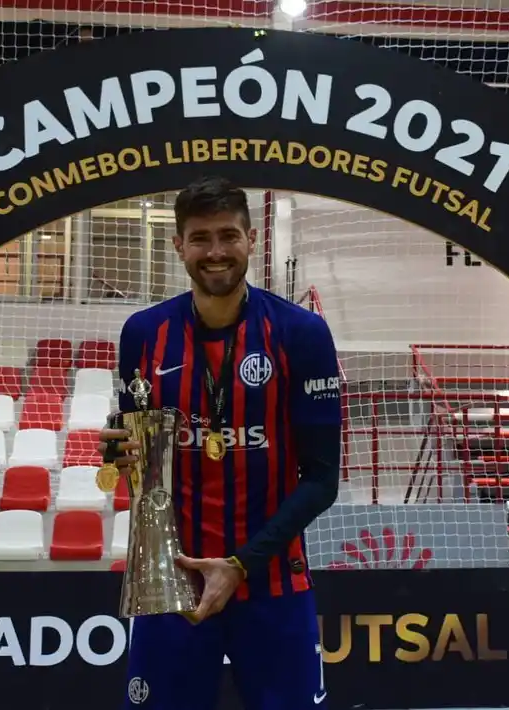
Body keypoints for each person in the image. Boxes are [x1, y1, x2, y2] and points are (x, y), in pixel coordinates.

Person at [98, 176, 342, 710]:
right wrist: (115, 452)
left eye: (228, 235)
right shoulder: (143, 333)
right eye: (201, 237)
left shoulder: (302, 334)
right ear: (178, 245)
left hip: (272, 580)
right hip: (170, 583)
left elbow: (323, 480)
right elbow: (136, 454)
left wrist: (239, 563)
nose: (216, 252)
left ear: (252, 240)